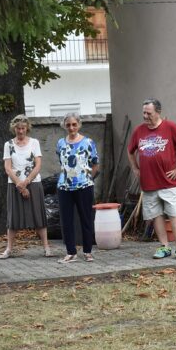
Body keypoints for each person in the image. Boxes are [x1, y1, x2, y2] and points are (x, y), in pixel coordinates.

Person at [127, 98, 176, 260]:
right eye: (143, 112)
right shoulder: (139, 131)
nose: (145, 116)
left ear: (158, 112)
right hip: (149, 183)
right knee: (156, 215)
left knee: (173, 214)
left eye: (148, 113)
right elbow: (130, 151)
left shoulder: (170, 127)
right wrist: (135, 168)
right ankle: (164, 246)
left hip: (168, 182)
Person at [0, 114, 54, 258]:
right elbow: (8, 168)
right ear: (14, 128)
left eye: (23, 128)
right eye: (18, 128)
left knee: (39, 217)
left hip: (33, 183)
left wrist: (26, 182)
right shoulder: (8, 145)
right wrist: (20, 185)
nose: (21, 131)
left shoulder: (34, 143)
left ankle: (46, 247)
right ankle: (9, 249)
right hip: (14, 185)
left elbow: (38, 165)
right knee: (13, 219)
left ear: (27, 128)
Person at [56, 113, 100, 263]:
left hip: (84, 186)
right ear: (64, 126)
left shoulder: (88, 142)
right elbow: (61, 163)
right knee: (66, 221)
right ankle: (71, 252)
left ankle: (88, 251)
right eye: (68, 125)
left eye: (74, 124)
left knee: (86, 219)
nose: (71, 127)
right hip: (64, 187)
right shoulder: (60, 143)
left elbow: (95, 163)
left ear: (79, 125)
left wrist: (87, 179)